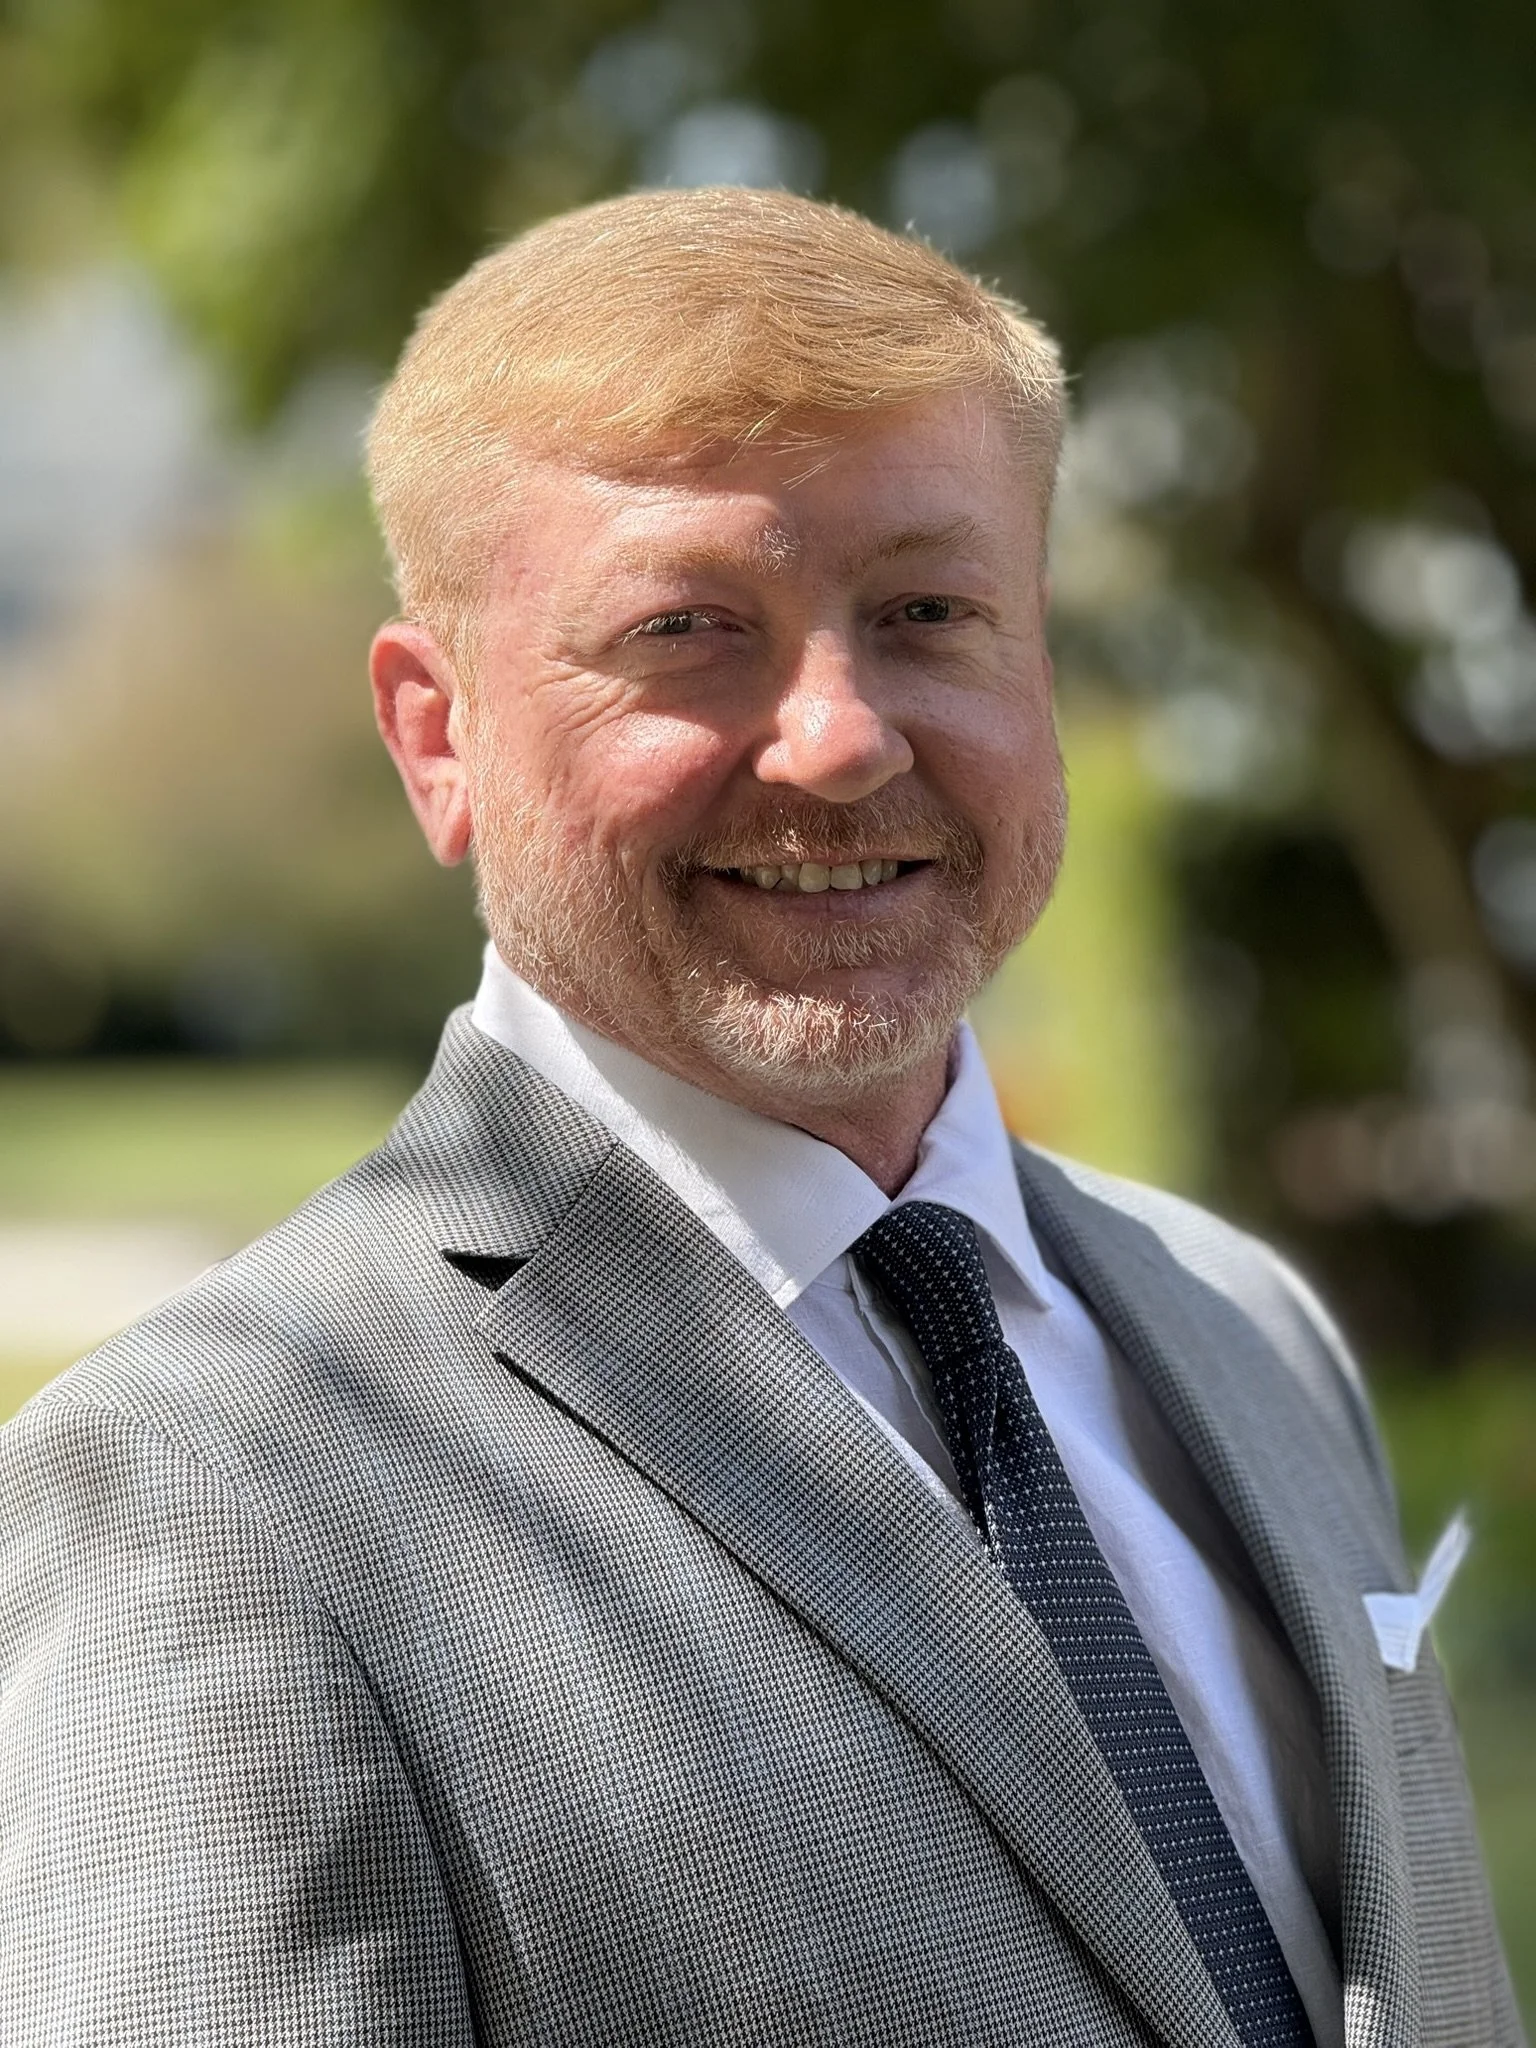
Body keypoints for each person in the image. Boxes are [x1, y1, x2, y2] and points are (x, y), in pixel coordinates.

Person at [0, 188, 1520, 2048]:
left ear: (1038, 655)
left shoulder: (1243, 1324)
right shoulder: (213, 1492)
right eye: (689, 629)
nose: (842, 736)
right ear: (438, 736)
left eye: (928, 612)